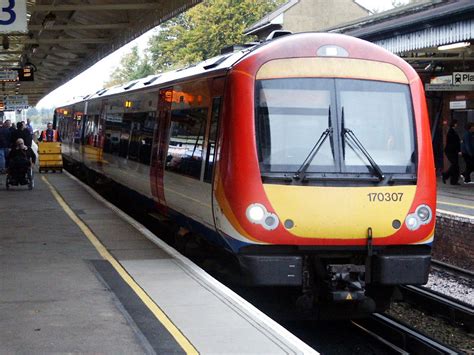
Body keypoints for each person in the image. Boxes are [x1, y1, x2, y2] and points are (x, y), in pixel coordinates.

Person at [442, 120, 461, 185]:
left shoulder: (452, 131)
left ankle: (453, 181)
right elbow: (453, 142)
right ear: (454, 124)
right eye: (456, 123)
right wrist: (458, 150)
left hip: (452, 151)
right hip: (451, 151)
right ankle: (446, 175)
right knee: (455, 165)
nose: (457, 125)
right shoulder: (451, 132)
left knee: (455, 166)